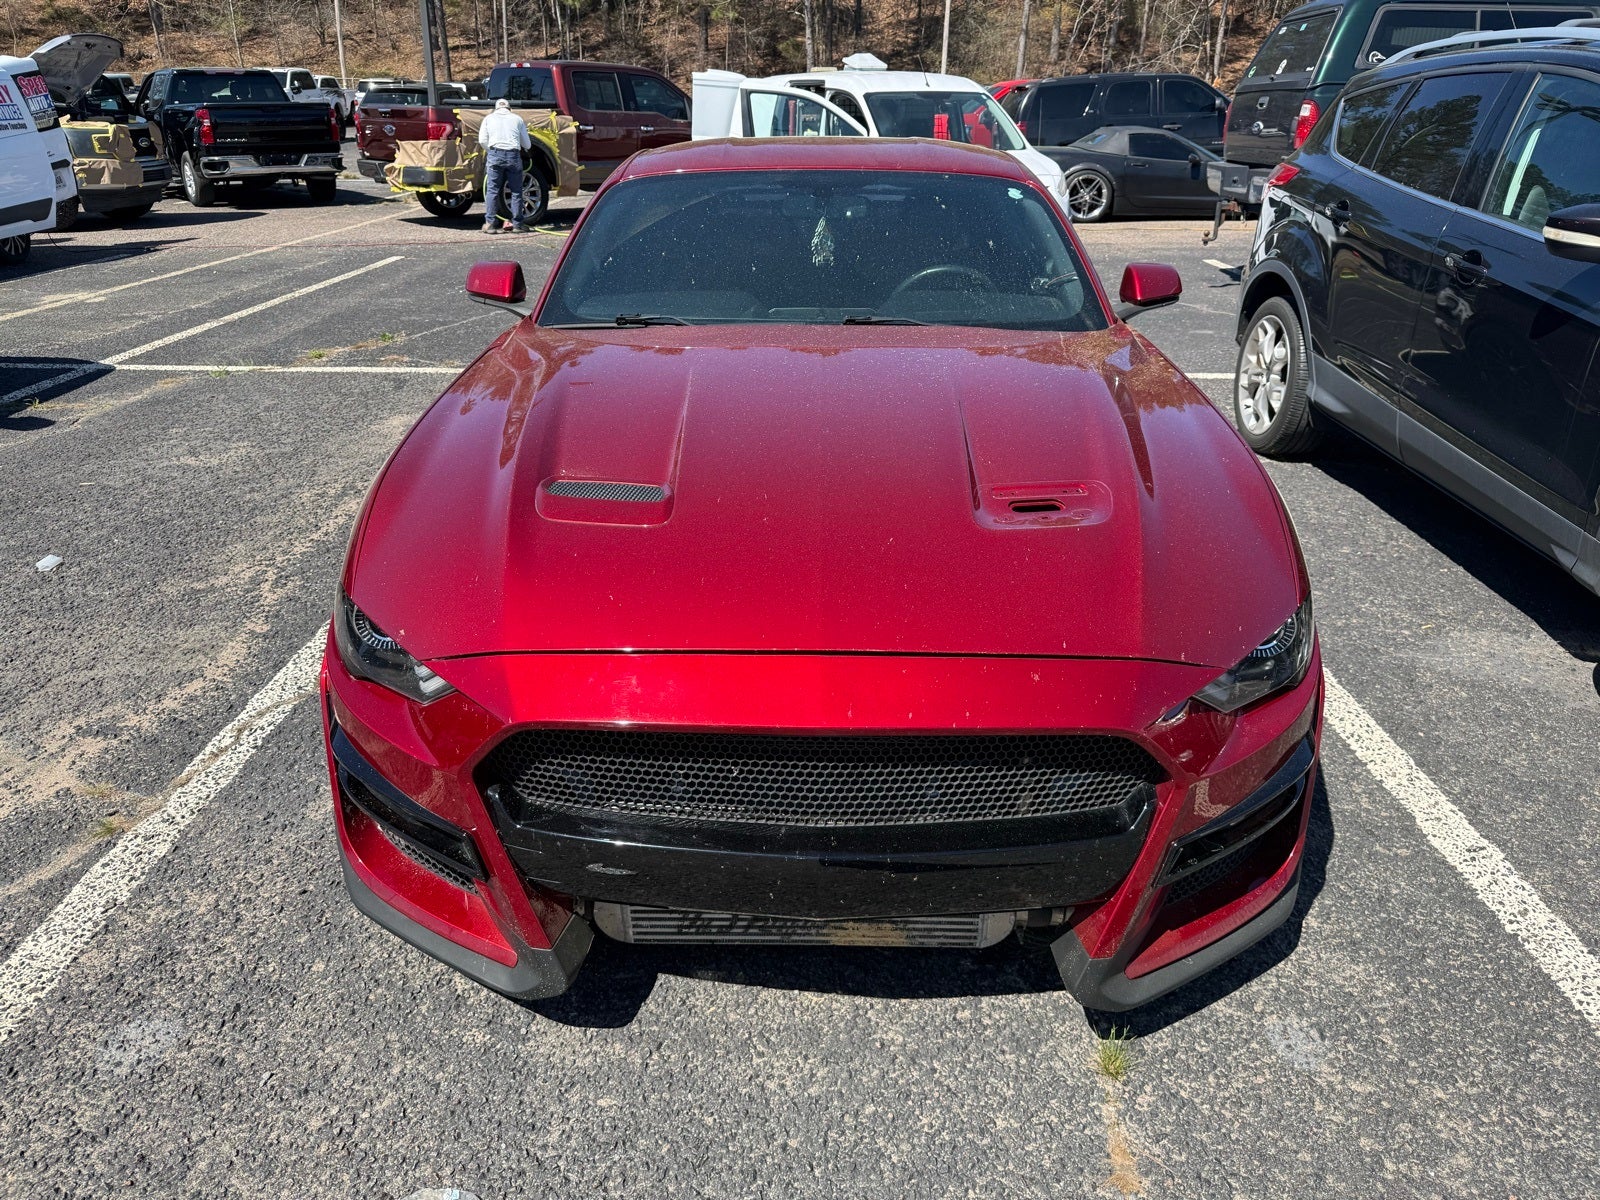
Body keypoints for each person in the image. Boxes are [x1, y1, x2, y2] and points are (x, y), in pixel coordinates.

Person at [478, 98, 533, 234]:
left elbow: (482, 140)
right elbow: (527, 144)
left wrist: (491, 151)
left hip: (495, 154)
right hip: (513, 155)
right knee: (516, 191)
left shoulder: (488, 119)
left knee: (492, 190)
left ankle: (490, 224)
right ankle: (517, 224)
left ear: (496, 108)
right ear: (509, 108)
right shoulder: (517, 119)